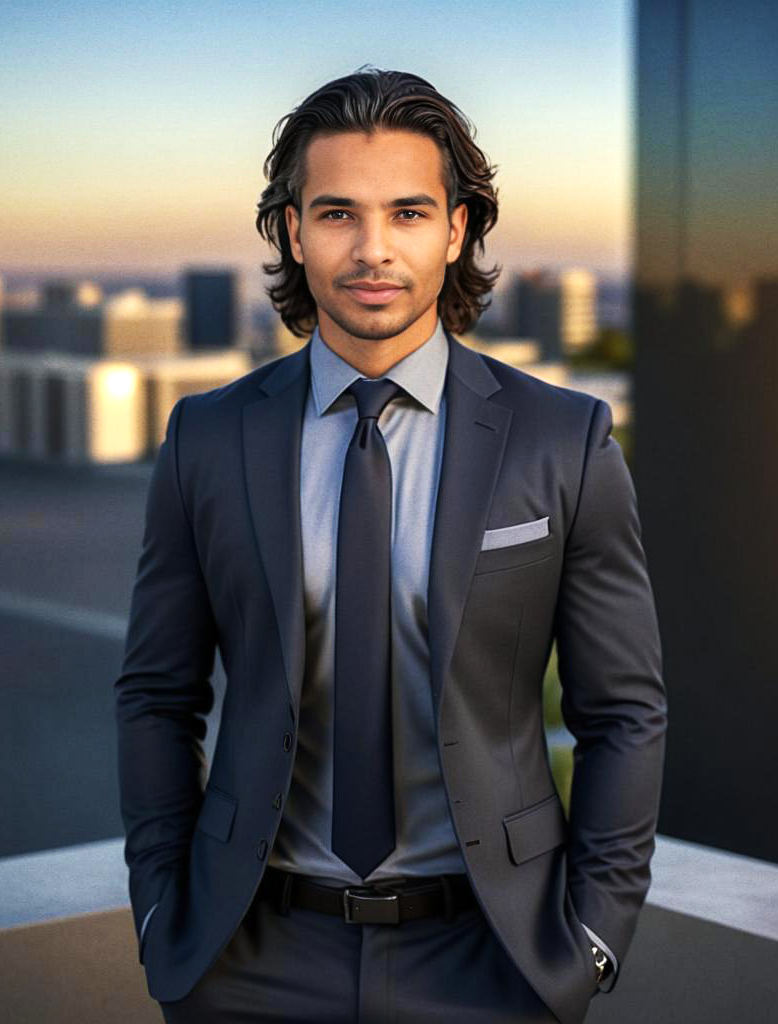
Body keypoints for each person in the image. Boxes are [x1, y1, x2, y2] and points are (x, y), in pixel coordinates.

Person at [115, 66, 667, 1024]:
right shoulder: (206, 439)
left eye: (409, 213)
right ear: (293, 229)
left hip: (492, 958)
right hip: (249, 960)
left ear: (457, 230)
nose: (373, 250)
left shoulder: (561, 439)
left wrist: (595, 938)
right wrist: (164, 906)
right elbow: (157, 696)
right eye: (337, 215)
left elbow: (623, 710)